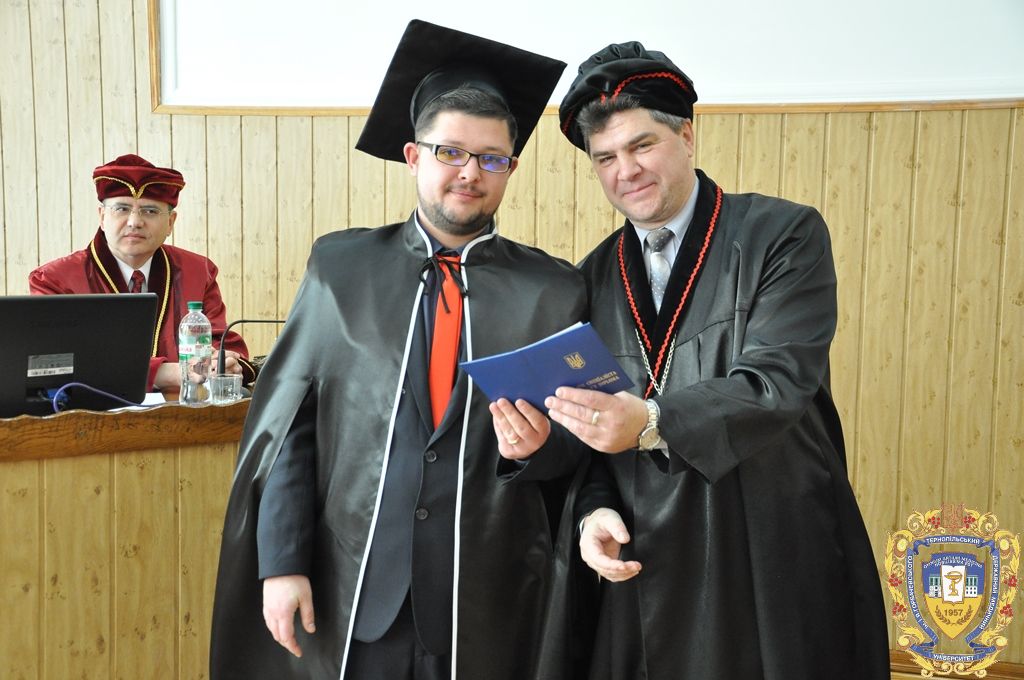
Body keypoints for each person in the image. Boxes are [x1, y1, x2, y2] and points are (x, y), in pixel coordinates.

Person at [209, 20, 588, 680]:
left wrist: (540, 448)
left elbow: (580, 444)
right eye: (450, 152)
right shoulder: (341, 268)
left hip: (487, 599)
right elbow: (292, 430)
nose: (469, 172)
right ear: (414, 156)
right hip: (356, 591)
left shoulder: (553, 291)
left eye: (491, 158)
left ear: (511, 168)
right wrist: (282, 562)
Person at [537, 42, 891, 679]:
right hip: (647, 558)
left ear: (687, 136)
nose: (626, 171)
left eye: (642, 145)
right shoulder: (589, 280)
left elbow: (776, 382)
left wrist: (649, 421)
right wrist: (594, 509)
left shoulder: (781, 235)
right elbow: (593, 434)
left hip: (765, 543)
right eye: (605, 158)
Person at [29, 154, 257, 389]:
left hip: (183, 408)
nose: (134, 222)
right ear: (102, 217)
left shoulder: (198, 272)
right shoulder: (54, 280)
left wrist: (224, 363)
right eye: (122, 208)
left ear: (170, 222)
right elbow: (52, 362)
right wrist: (165, 373)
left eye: (150, 211)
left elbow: (223, 345)